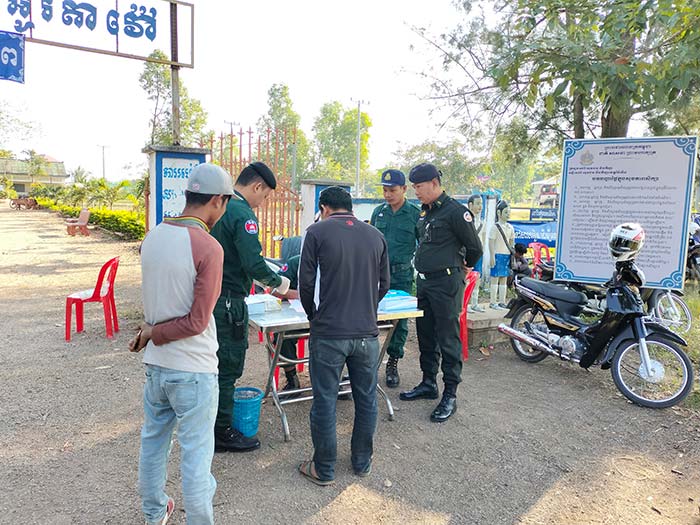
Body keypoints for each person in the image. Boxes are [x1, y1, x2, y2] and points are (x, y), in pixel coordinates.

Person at [130, 162, 234, 525]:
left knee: (153, 442)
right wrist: (152, 332)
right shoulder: (209, 247)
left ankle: (154, 513)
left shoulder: (153, 237)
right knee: (196, 457)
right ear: (218, 201)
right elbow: (196, 321)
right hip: (194, 370)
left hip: (157, 367)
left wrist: (151, 333)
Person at [297, 186, 390, 485]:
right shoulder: (376, 236)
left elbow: (305, 283)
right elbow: (384, 284)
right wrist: (366, 310)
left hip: (329, 332)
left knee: (325, 400)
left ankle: (324, 468)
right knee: (367, 398)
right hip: (366, 334)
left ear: (324, 208)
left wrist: (314, 316)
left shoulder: (316, 232)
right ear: (350, 207)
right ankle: (362, 462)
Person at [209, 161, 292, 453]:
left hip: (211, 296)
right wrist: (283, 286)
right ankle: (221, 431)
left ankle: (210, 424)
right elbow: (253, 263)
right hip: (228, 301)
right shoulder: (242, 213)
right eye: (265, 195)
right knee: (227, 367)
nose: (262, 202)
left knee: (213, 365)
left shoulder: (218, 206)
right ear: (257, 186)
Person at [400, 163, 482, 423]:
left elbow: (475, 248)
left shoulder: (456, 212)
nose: (415, 191)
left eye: (419, 186)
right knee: (425, 335)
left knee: (448, 338)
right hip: (425, 283)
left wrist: (464, 266)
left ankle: (450, 394)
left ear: (434, 183)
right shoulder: (425, 212)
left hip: (446, 284)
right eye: (414, 186)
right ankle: (428, 382)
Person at [369, 169, 420, 388]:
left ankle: (393, 361)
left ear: (404, 189)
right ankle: (368, 362)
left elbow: (423, 244)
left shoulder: (414, 214)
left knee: (399, 322)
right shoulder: (378, 212)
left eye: (392, 190)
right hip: (376, 275)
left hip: (401, 276)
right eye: (385, 190)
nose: (387, 195)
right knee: (370, 317)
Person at [488, 200, 514, 309]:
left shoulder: (510, 227)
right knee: (495, 278)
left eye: (509, 212)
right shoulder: (495, 227)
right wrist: (492, 256)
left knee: (504, 279)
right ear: (499, 213)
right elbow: (491, 242)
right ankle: (493, 302)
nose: (508, 214)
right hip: (497, 255)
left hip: (506, 255)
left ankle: (502, 301)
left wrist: (511, 253)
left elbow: (511, 241)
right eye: (506, 212)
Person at [466, 194, 486, 313]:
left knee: (477, 278)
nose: (480, 206)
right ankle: (466, 303)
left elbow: (483, 240)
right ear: (470, 205)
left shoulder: (482, 222)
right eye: (478, 203)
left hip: (479, 255)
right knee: (467, 279)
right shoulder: (465, 220)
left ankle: (475, 303)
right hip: (468, 255)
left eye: (481, 204)